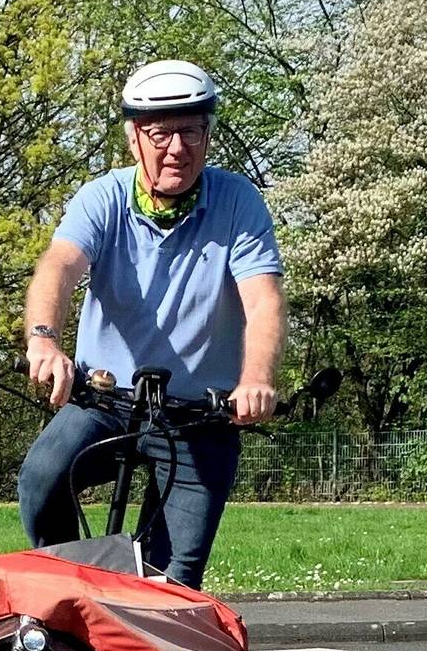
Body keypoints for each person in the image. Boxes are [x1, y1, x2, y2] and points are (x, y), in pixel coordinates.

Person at [17, 60, 285, 586]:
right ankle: (74, 586)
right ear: (133, 138)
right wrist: (44, 341)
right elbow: (59, 268)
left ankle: (150, 625)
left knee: (172, 580)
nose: (177, 149)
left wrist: (257, 379)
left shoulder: (237, 202)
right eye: (161, 133)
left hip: (197, 415)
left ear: (208, 134)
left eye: (191, 131)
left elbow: (264, 302)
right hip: (106, 402)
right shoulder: (103, 199)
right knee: (43, 480)